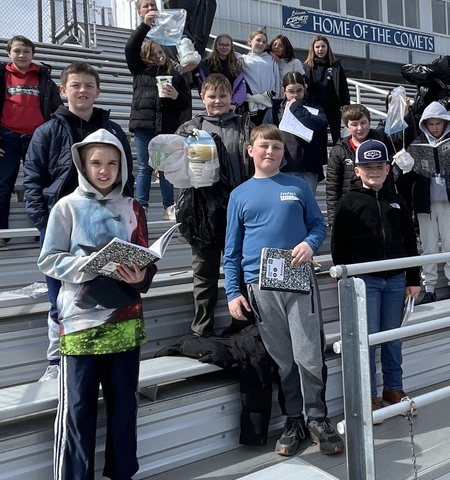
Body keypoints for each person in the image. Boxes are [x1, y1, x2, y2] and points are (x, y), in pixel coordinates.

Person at [38, 130, 156, 480]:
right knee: (77, 411)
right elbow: (49, 259)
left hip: (126, 319)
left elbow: (145, 258)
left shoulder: (133, 207)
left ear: (122, 166)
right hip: (81, 325)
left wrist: (142, 274)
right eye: (96, 163)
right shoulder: (66, 207)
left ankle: (124, 478)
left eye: (112, 163)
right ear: (83, 165)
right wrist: (88, 264)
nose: (104, 170)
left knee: (125, 405)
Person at [223, 125, 342, 457]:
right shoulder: (239, 195)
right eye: (263, 146)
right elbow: (231, 251)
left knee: (309, 354)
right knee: (283, 358)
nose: (270, 152)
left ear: (282, 152)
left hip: (298, 280)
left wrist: (308, 243)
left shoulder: (298, 186)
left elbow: (318, 226)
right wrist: (233, 292)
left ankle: (317, 417)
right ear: (250, 151)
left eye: (276, 147)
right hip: (261, 285)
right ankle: (294, 420)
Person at [24, 62, 135, 381]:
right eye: (75, 85)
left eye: (89, 85)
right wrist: (45, 224)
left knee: (105, 293)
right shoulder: (47, 131)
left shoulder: (112, 131)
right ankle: (57, 361)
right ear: (63, 91)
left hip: (105, 226)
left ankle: (105, 352)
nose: (82, 90)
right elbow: (33, 180)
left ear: (98, 91)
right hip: (63, 227)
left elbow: (126, 177)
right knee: (60, 295)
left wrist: (127, 218)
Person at [331, 139, 421, 413]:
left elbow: (409, 242)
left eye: (379, 166)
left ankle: (394, 389)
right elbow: (339, 245)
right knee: (367, 339)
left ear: (387, 169)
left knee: (392, 338)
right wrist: (346, 279)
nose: (374, 171)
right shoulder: (348, 202)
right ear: (357, 170)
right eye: (367, 167)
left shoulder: (397, 201)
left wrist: (413, 278)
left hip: (395, 280)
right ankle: (368, 395)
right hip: (364, 281)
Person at [175, 73, 251, 337]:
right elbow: (174, 167)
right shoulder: (188, 128)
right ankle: (202, 329)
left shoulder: (245, 126)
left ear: (232, 98)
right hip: (202, 213)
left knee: (242, 270)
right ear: (202, 98)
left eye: (223, 96)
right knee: (204, 275)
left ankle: (243, 326)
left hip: (239, 209)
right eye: (212, 96)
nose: (217, 101)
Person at [0, 35, 62, 247]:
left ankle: (45, 230)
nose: (22, 55)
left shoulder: (44, 78)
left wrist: (53, 137)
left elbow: (57, 109)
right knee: (4, 185)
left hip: (38, 139)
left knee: (42, 185)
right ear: (9, 53)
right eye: (17, 51)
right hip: (7, 137)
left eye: (26, 51)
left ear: (33, 54)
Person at [124, 4, 192, 220]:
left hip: (167, 125)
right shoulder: (139, 70)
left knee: (166, 167)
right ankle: (141, 207)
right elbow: (130, 47)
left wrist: (175, 96)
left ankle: (168, 206)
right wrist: (144, 25)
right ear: (146, 55)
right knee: (144, 166)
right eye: (153, 53)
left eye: (160, 52)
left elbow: (185, 103)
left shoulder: (176, 76)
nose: (158, 56)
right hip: (144, 125)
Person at [410, 101, 450, 304]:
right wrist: (407, 164)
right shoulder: (417, 143)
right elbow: (406, 178)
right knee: (428, 247)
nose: (435, 128)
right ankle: (430, 288)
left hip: (449, 202)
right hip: (424, 204)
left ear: (446, 123)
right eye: (431, 124)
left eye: (439, 123)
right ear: (424, 124)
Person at [325, 103, 397, 229]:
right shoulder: (338, 150)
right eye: (354, 124)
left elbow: (403, 137)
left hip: (382, 203)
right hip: (352, 208)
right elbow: (332, 187)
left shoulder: (381, 140)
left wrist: (404, 113)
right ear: (347, 127)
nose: (360, 128)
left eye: (363, 123)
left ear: (369, 122)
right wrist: (333, 219)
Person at [262, 72, 328, 193]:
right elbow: (264, 137)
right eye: (291, 91)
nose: (295, 95)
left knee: (307, 205)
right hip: (284, 167)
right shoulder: (274, 111)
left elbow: (321, 125)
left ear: (305, 89)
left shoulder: (315, 109)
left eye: (299, 91)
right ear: (284, 90)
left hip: (309, 167)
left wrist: (297, 109)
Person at [304, 36, 350, 142]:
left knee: (336, 135)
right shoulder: (307, 66)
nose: (320, 49)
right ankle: (321, 159)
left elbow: (343, 85)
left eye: (323, 46)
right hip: (316, 107)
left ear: (328, 48)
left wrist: (345, 103)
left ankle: (337, 157)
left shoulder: (336, 66)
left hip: (333, 107)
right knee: (320, 136)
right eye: (317, 47)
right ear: (313, 49)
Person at [240, 28, 279, 127]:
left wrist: (277, 99)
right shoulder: (243, 59)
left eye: (264, 42)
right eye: (258, 40)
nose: (261, 43)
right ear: (250, 41)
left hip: (268, 103)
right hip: (250, 104)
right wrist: (237, 56)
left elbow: (277, 80)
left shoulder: (271, 59)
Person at [198, 33, 247, 109]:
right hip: (214, 104)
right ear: (216, 46)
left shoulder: (235, 64)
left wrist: (234, 103)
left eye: (227, 45)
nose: (224, 47)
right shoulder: (207, 63)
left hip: (231, 105)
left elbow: (241, 86)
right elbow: (203, 84)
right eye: (221, 44)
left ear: (231, 47)